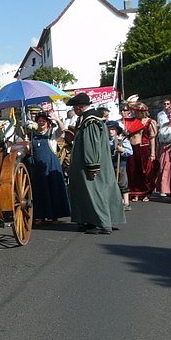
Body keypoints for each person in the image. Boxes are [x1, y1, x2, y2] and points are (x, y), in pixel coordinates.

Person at [67, 92, 125, 234]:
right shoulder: (88, 118)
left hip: (91, 164)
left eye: (75, 107)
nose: (74, 110)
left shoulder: (90, 120)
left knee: (95, 192)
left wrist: (92, 165)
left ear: (80, 107)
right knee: (92, 192)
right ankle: (90, 220)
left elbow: (91, 145)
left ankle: (103, 223)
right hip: (92, 163)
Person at [26, 110, 71, 224]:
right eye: (39, 121)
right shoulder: (33, 136)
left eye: (43, 121)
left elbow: (62, 130)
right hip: (38, 167)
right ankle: (41, 216)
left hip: (50, 165)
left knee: (53, 189)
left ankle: (54, 216)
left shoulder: (52, 134)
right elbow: (30, 151)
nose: (41, 123)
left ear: (48, 123)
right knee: (40, 191)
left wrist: (57, 119)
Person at [121, 101, 157, 201]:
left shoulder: (150, 122)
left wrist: (153, 152)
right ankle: (135, 192)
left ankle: (146, 192)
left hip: (144, 148)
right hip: (132, 147)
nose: (134, 113)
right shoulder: (131, 121)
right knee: (133, 171)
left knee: (144, 171)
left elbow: (152, 138)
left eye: (137, 112)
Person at [153, 105, 171, 198]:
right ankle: (164, 188)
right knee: (162, 168)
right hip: (163, 148)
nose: (170, 115)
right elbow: (158, 138)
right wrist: (157, 150)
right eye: (169, 113)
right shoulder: (164, 125)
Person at [107, 120, 133, 211]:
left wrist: (122, 150)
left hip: (120, 164)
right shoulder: (105, 141)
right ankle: (115, 201)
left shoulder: (122, 140)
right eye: (109, 129)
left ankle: (126, 202)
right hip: (109, 164)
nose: (111, 131)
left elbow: (130, 152)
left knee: (122, 182)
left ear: (117, 130)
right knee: (111, 183)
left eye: (113, 129)